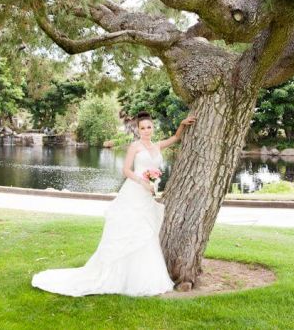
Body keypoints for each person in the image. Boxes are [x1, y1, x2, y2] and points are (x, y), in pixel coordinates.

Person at [31, 111, 196, 297]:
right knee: (128, 231)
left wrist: (182, 124)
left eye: (149, 127)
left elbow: (175, 137)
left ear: (153, 128)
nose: (146, 131)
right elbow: (126, 170)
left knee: (145, 233)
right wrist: (142, 182)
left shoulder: (157, 145)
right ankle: (119, 276)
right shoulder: (135, 146)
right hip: (134, 192)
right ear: (138, 130)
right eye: (143, 128)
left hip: (147, 197)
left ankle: (144, 277)